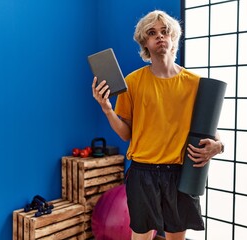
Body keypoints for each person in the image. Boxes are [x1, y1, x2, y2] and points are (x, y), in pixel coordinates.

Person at [92, 10, 224, 240]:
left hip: (179, 172)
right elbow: (125, 134)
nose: (160, 36)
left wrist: (218, 146)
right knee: (140, 236)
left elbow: (211, 131)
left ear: (173, 38)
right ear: (145, 42)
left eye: (165, 32)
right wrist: (107, 108)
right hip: (143, 172)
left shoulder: (195, 84)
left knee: (175, 237)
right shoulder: (132, 82)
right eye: (152, 33)